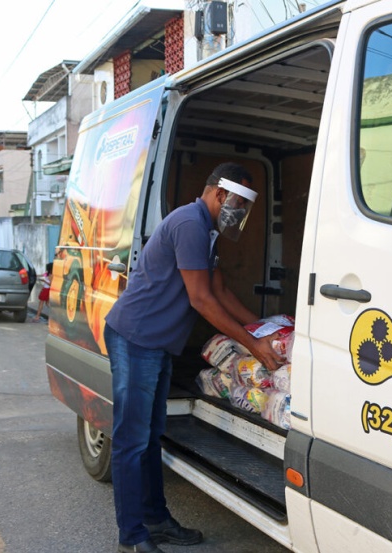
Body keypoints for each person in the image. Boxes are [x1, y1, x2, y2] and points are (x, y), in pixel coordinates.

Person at [104, 162, 284, 553]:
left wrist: (266, 329)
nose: (240, 213)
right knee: (132, 441)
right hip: (136, 339)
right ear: (219, 193)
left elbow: (218, 290)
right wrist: (253, 346)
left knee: (150, 438)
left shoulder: (207, 231)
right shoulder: (189, 224)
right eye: (239, 202)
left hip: (156, 344)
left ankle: (156, 520)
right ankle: (132, 534)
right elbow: (200, 299)